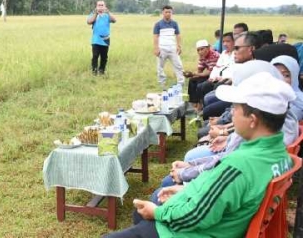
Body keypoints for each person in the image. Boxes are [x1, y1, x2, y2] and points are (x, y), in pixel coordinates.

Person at [103, 71, 295, 238]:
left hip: (193, 232)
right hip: (220, 225)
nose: (232, 114)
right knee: (140, 216)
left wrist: (158, 213)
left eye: (235, 108)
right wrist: (185, 190)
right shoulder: (279, 154)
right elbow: (222, 192)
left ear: (252, 120)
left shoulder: (240, 165)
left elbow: (195, 216)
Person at [153, 5, 184, 89]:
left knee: (178, 65)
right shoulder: (158, 24)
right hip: (162, 48)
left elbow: (178, 35)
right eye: (166, 12)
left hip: (173, 48)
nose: (168, 14)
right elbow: (155, 36)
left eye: (169, 12)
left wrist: (179, 46)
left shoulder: (174, 24)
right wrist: (156, 48)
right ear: (163, 13)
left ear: (172, 13)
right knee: (160, 67)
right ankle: (161, 83)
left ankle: (181, 82)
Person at [184, 40, 219, 110]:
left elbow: (209, 72)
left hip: (215, 76)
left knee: (201, 84)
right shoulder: (202, 56)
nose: (200, 52)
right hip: (209, 75)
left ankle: (201, 104)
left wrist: (195, 74)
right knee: (192, 80)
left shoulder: (214, 55)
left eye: (202, 49)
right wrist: (191, 75)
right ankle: (194, 103)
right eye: (198, 50)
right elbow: (200, 70)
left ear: (208, 48)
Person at [87, 0, 116, 75]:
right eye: (99, 5)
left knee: (104, 57)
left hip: (105, 39)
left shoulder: (107, 15)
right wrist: (96, 14)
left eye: (102, 5)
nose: (100, 7)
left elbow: (114, 20)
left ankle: (102, 71)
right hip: (96, 40)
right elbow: (89, 22)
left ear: (105, 6)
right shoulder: (93, 14)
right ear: (96, 7)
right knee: (95, 55)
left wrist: (108, 12)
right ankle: (94, 71)